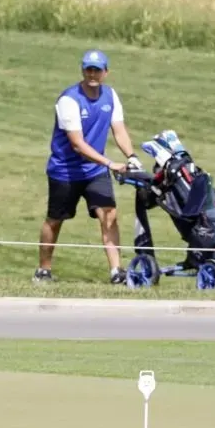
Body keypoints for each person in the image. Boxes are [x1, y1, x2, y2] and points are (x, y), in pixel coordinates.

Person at [36, 49, 139, 286]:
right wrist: (111, 163)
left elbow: (119, 129)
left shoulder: (110, 96)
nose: (92, 74)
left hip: (95, 171)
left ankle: (116, 272)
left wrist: (131, 156)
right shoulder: (69, 100)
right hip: (65, 171)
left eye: (97, 69)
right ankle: (44, 269)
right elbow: (78, 144)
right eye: (88, 69)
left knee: (109, 214)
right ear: (82, 70)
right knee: (55, 219)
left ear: (106, 72)